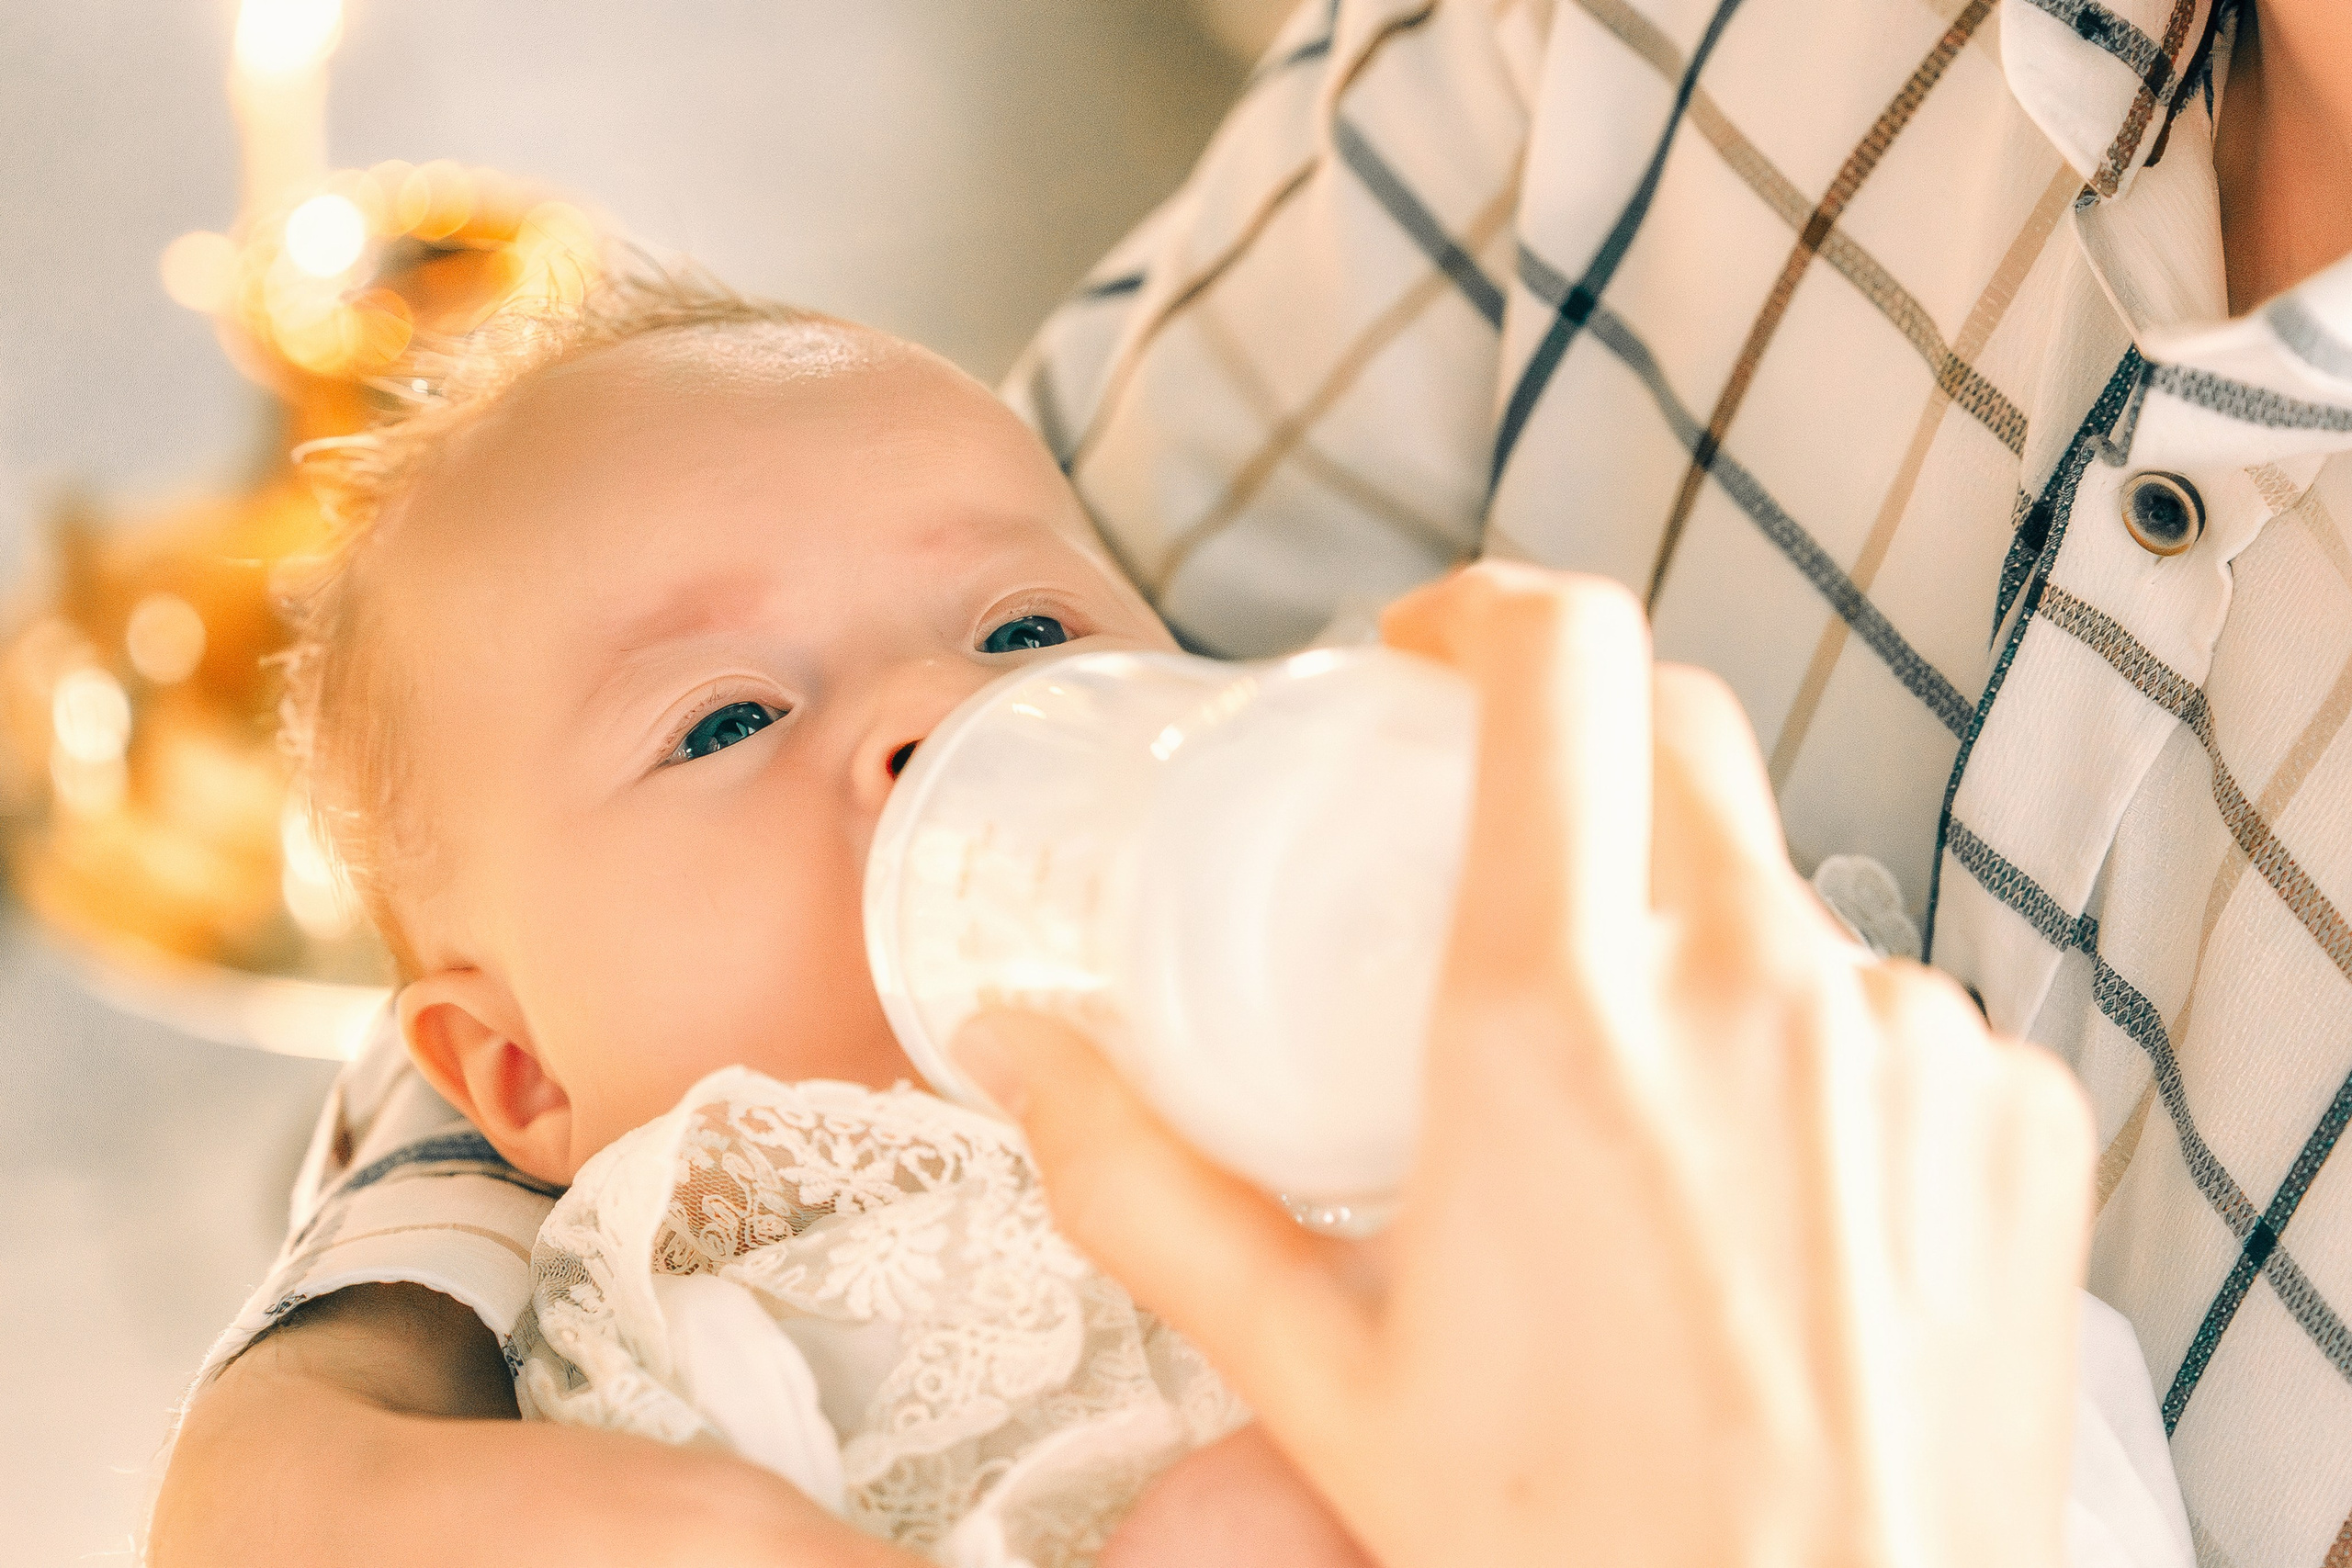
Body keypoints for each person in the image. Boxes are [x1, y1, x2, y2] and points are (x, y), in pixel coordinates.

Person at [153, 0, 2352, 1562]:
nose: (937, 722)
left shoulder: (1431, 1019)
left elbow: (1937, 1326)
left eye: (1026, 636)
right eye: (725, 720)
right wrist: (315, 1446)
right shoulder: (669, 1298)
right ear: (510, 1077)